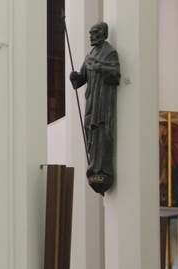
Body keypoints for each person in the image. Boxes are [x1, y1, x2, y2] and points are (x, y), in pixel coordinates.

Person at [69, 21, 121, 195]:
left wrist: (100, 68)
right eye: (90, 33)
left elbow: (115, 74)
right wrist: (74, 77)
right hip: (92, 102)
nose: (91, 36)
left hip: (104, 103)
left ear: (103, 34)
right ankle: (93, 169)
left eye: (94, 33)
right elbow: (81, 80)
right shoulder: (90, 55)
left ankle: (103, 171)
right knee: (91, 133)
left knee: (102, 134)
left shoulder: (109, 52)